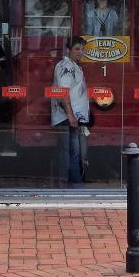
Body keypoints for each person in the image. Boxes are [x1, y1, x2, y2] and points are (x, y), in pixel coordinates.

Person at [51, 36, 90, 187]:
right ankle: (69, 185)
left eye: (82, 49)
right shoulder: (65, 67)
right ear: (68, 50)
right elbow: (63, 93)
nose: (80, 52)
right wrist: (71, 115)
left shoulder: (74, 66)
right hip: (67, 117)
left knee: (74, 152)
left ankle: (73, 183)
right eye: (77, 49)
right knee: (69, 153)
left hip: (72, 117)